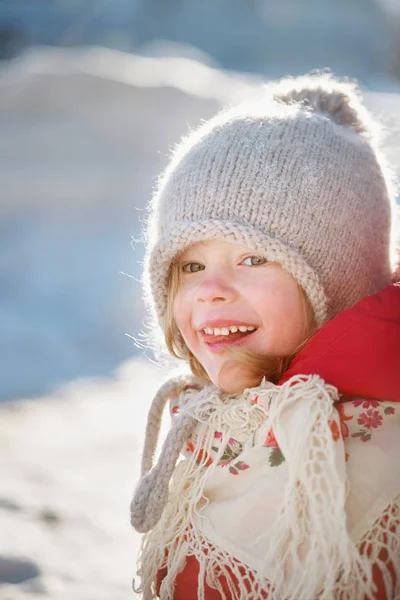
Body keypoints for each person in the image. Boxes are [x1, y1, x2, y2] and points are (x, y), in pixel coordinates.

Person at [130, 73, 400, 599]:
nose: (210, 290)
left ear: (340, 281)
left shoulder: (364, 459)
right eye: (190, 265)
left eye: (254, 258)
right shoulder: (229, 419)